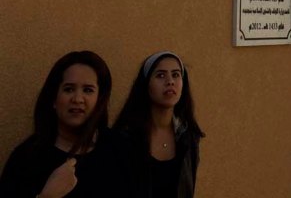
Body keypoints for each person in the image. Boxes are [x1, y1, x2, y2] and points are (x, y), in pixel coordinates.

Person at [0, 50, 121, 198]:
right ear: (54, 99)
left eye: (88, 90)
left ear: (100, 100)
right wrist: (48, 196)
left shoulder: (121, 150)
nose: (77, 99)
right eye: (68, 89)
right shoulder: (27, 157)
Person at [114, 51, 204, 198]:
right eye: (160, 75)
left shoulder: (188, 136)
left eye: (176, 75)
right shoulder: (125, 137)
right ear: (146, 84)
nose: (170, 81)